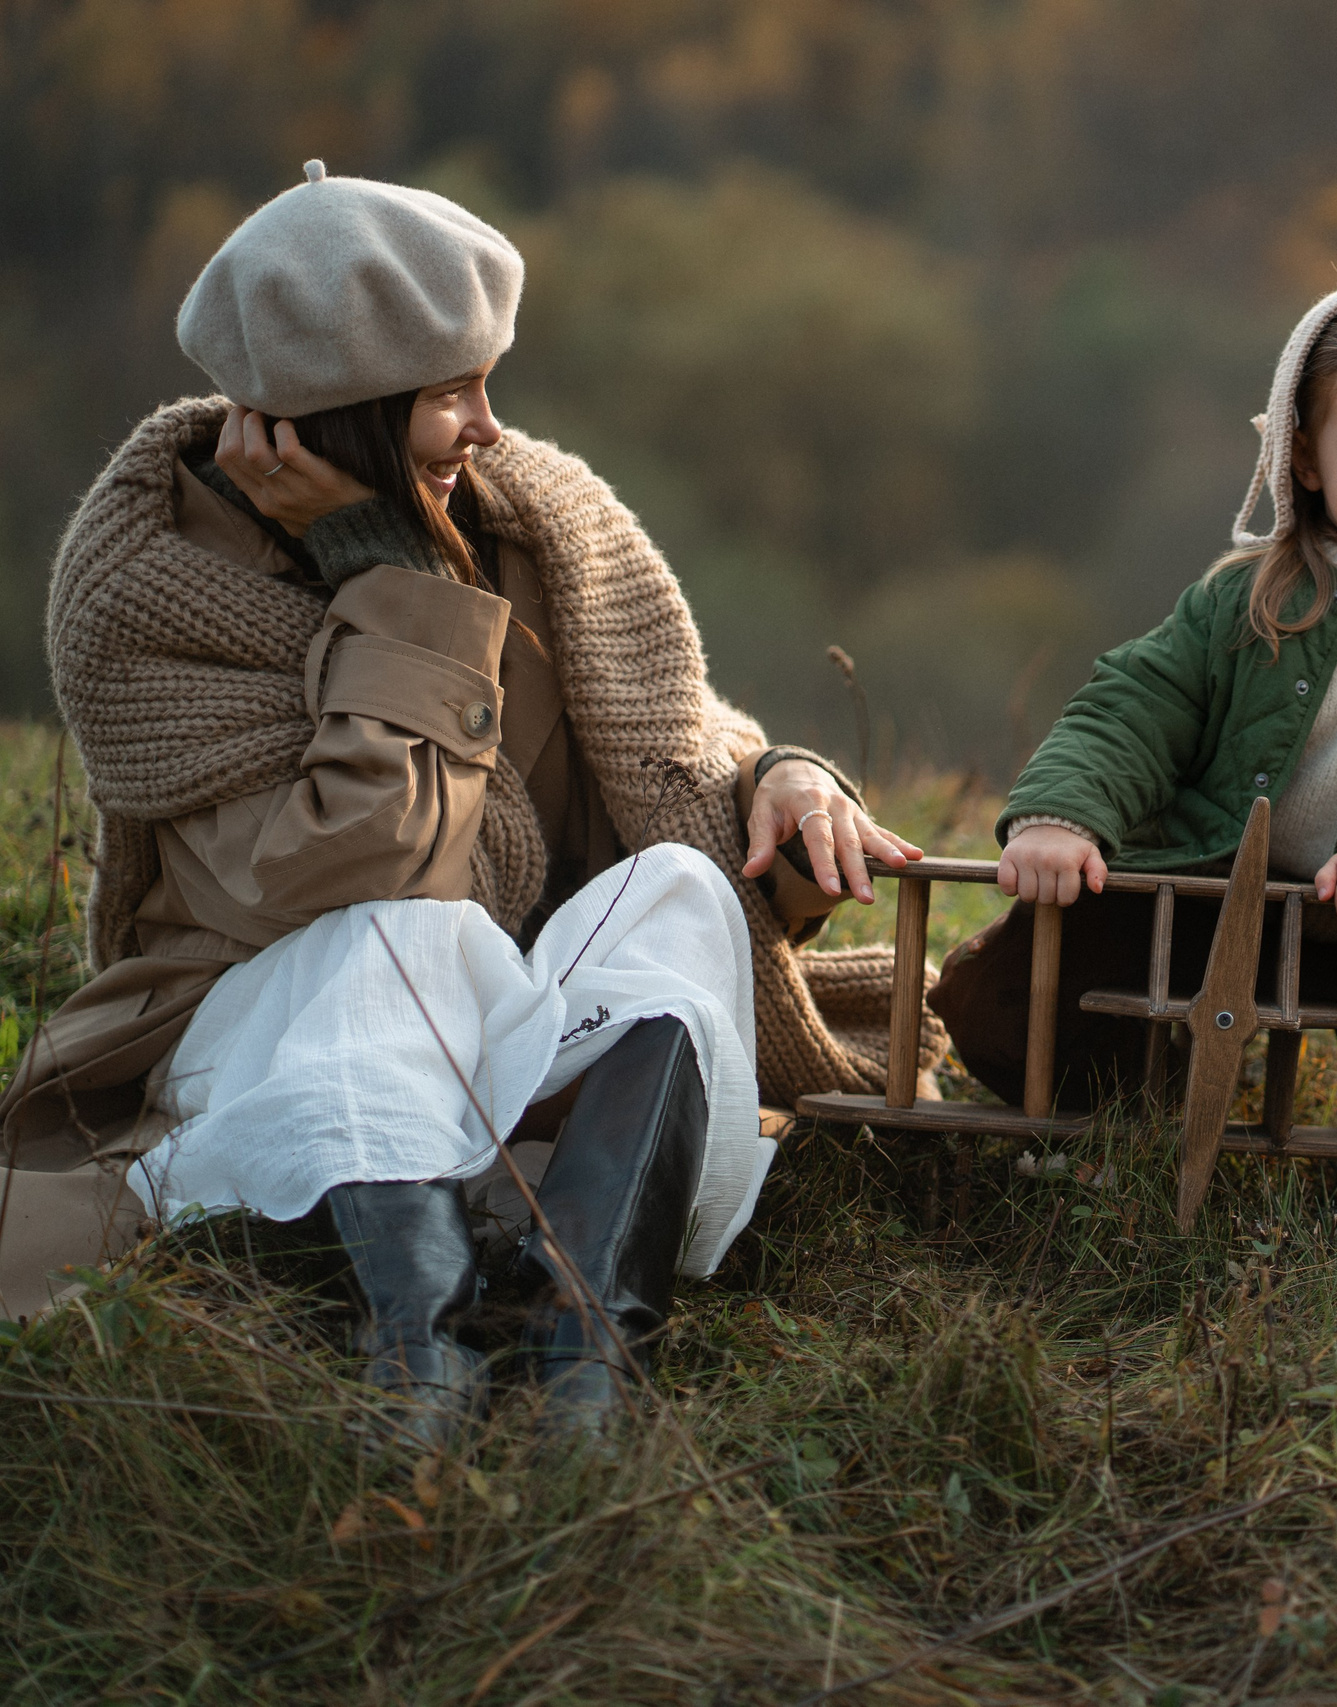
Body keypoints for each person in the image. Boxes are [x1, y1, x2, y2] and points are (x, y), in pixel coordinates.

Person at [0, 162, 934, 1446]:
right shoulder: (145, 595)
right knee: (406, 937)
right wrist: (395, 589)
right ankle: (416, 1375)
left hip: (490, 1003)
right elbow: (364, 870)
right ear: (337, 417)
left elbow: (663, 735)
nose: (492, 428)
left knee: (677, 890)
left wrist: (781, 777)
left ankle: (585, 1357)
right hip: (283, 1022)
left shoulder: (528, 515)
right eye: (452, 397)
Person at [929, 280, 1337, 1136]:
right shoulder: (1250, 598)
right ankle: (1144, 1078)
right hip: (1197, 892)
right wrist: (1064, 814)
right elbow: (1135, 708)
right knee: (999, 1015)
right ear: (1306, 462)